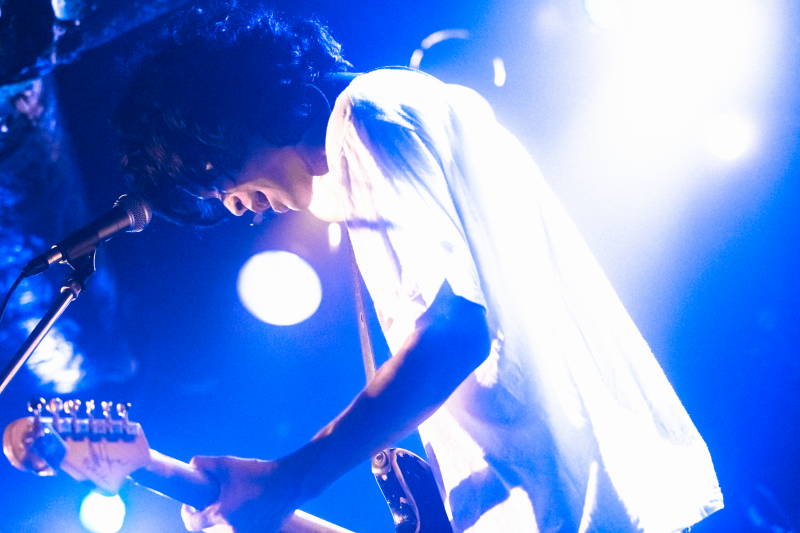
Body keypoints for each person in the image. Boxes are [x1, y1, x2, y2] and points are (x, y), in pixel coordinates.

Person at [115, 2, 723, 532]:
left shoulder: (364, 116)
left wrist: (290, 478)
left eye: (209, 172)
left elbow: (456, 335)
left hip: (569, 507)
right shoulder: (416, 107)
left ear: (230, 115)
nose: (227, 201)